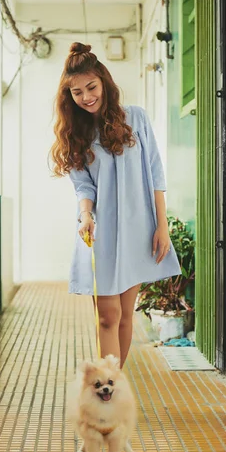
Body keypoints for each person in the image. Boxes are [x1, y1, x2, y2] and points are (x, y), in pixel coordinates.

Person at [51, 42, 181, 368]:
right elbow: (83, 185)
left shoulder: (136, 118)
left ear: (104, 82)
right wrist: (84, 215)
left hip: (139, 228)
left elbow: (155, 174)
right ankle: (105, 390)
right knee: (108, 315)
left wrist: (161, 227)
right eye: (77, 92)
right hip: (101, 231)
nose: (86, 97)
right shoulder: (76, 132)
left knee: (125, 315)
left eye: (91, 87)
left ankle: (114, 383)